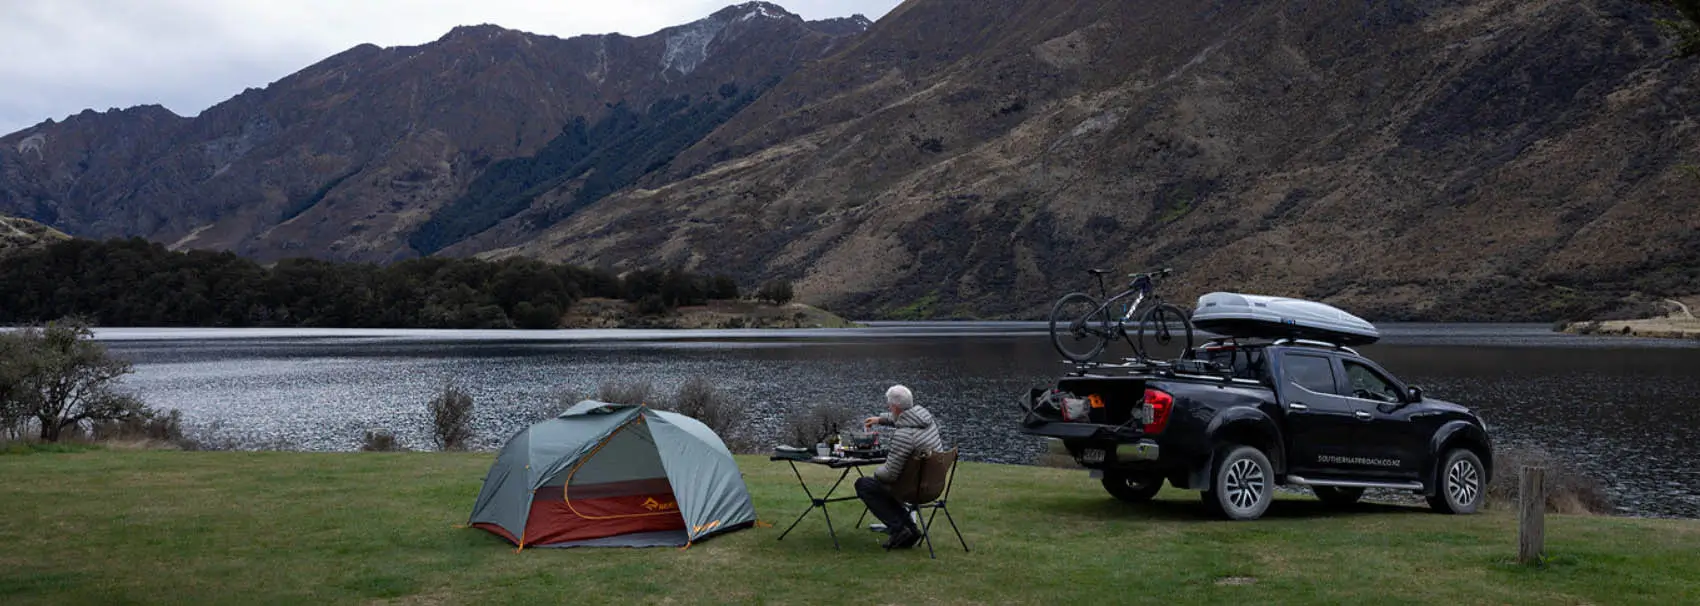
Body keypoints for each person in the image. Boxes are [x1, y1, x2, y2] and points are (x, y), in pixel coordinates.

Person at [854, 384, 943, 550]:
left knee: (865, 485)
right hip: (933, 485)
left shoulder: (905, 435)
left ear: (894, 407)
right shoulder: (925, 419)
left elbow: (889, 475)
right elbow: (903, 418)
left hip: (914, 489)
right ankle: (910, 530)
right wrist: (880, 419)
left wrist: (876, 472)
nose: (889, 408)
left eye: (889, 406)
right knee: (882, 485)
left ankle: (900, 528)